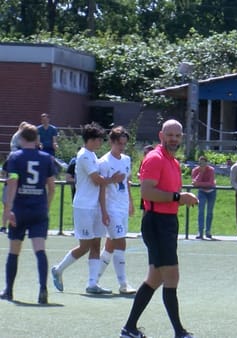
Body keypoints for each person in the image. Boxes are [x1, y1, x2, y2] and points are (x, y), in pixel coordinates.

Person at [120, 119, 198, 338]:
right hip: (157, 223)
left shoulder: (172, 161)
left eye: (178, 135)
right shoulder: (155, 158)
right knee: (171, 276)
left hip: (167, 222)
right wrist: (178, 197)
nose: (174, 139)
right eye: (170, 135)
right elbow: (147, 193)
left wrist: (178, 199)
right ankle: (179, 332)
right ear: (161, 135)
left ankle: (129, 328)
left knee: (154, 278)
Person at [51, 122, 125, 295]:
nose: (101, 142)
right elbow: (96, 180)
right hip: (83, 206)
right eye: (99, 139)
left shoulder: (92, 155)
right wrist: (113, 179)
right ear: (90, 139)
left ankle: (92, 284)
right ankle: (58, 269)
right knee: (85, 245)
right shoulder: (83, 155)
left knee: (96, 244)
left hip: (95, 206)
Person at [0, 123, 55, 303]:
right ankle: (43, 289)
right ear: (37, 139)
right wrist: (45, 207)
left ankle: (9, 290)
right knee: (40, 249)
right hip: (38, 209)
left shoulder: (15, 157)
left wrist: (8, 210)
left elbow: (13, 183)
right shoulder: (47, 158)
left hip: (20, 209)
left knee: (14, 250)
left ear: (22, 139)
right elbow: (52, 187)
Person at [95, 126, 137, 295]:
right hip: (111, 208)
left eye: (124, 144)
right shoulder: (104, 162)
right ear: (111, 142)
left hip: (122, 207)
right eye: (119, 143)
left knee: (110, 246)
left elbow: (126, 182)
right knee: (121, 242)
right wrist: (104, 211)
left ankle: (93, 280)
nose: (122, 147)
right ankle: (123, 284)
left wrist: (131, 202)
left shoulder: (126, 160)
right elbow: (101, 187)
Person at [191, 156, 216, 240]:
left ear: (206, 163)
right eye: (200, 163)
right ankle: (200, 232)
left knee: (209, 212)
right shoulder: (195, 170)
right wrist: (201, 173)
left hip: (212, 192)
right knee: (201, 211)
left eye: (203, 163)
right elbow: (194, 183)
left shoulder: (211, 170)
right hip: (201, 192)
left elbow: (211, 183)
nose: (201, 164)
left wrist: (199, 183)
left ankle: (208, 231)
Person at [139, 145, 154, 210]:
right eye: (144, 153)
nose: (145, 155)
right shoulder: (143, 161)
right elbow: (139, 171)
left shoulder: (155, 162)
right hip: (145, 189)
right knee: (144, 210)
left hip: (153, 190)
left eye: (146, 153)